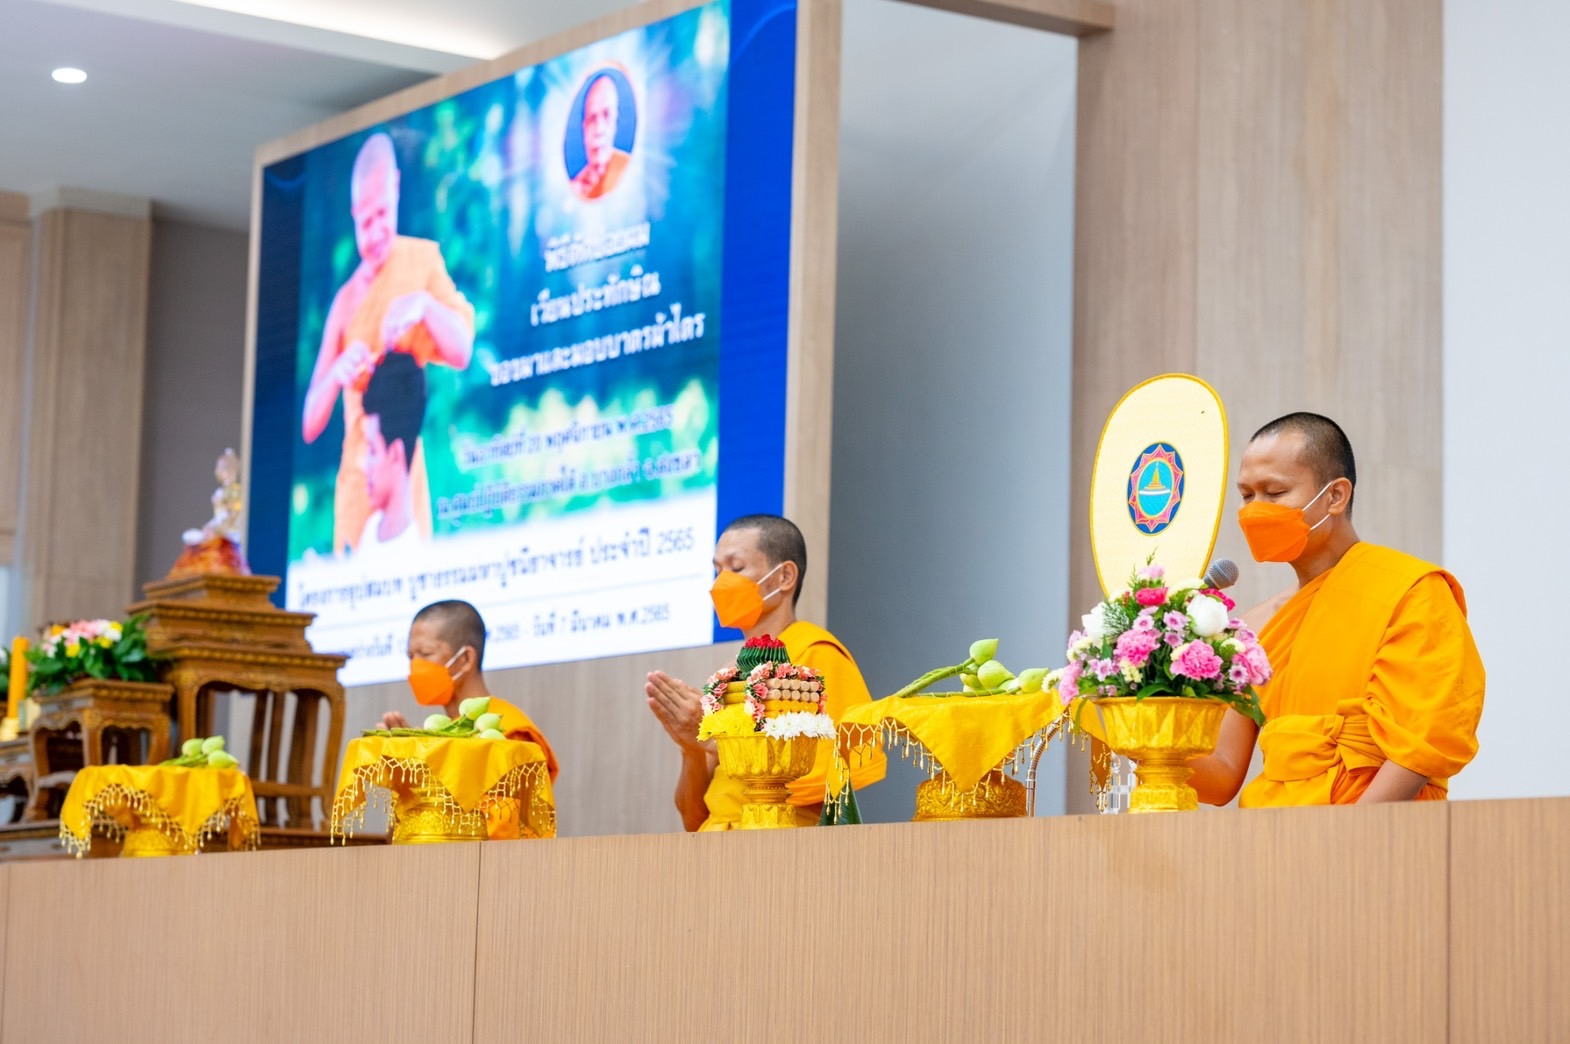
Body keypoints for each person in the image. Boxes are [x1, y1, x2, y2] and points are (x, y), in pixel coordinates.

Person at [1188, 413, 1485, 807]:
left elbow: (1424, 738)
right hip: (1268, 837)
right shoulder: (1256, 624)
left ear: (1335, 496)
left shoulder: (1409, 591)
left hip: (1377, 837)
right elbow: (1223, 773)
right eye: (1246, 496)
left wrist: (1346, 841)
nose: (1255, 510)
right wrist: (1133, 731)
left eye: (1274, 493)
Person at [645, 515, 887, 830]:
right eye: (717, 570)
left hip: (779, 849)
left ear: (784, 576)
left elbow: (840, 769)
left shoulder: (815, 654)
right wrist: (691, 747)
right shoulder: (733, 677)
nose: (720, 584)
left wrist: (715, 742)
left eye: (736, 568)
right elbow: (694, 817)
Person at [301, 132, 475, 556]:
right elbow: (310, 423)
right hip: (357, 481)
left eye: (383, 215)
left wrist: (424, 306)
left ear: (396, 190)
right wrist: (337, 372)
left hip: (402, 470)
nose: (376, 232)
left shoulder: (421, 262)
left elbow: (462, 350)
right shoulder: (345, 302)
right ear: (352, 215)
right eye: (365, 222)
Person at [380, 600, 559, 837]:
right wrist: (413, 768)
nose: (414, 667)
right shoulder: (439, 737)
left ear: (464, 660)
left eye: (424, 654)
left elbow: (500, 835)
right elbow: (408, 833)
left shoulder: (511, 734)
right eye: (411, 656)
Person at [356, 352, 426, 554]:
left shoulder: (411, 553)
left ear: (395, 453)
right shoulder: (371, 529)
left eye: (372, 450)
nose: (363, 464)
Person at [570, 74, 631, 201]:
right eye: (592, 119)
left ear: (616, 121)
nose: (599, 129)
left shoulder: (630, 170)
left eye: (606, 115)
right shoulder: (573, 191)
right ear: (584, 129)